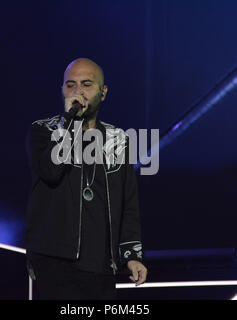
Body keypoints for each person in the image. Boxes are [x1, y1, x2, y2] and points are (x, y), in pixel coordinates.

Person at [25, 58, 147, 300]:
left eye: (86, 84)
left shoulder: (118, 140)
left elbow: (129, 204)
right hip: (54, 260)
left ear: (103, 92)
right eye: (70, 85)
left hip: (101, 263)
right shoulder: (43, 131)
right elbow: (51, 170)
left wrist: (132, 256)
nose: (78, 91)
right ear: (62, 90)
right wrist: (70, 123)